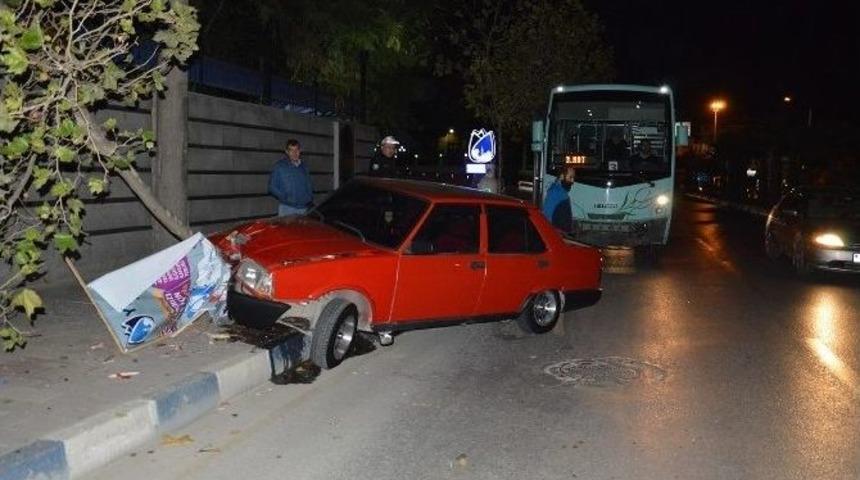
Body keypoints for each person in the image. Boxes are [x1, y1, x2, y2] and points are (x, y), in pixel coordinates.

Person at [268, 139, 314, 216]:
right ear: (287, 152)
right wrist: (285, 198)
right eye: (291, 150)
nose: (294, 153)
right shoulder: (279, 166)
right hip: (287, 208)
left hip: (303, 208)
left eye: (296, 150)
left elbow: (309, 185)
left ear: (300, 151)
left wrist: (309, 197)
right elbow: (272, 187)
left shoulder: (304, 167)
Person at [541, 164, 576, 232]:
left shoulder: (561, 192)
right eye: (570, 177)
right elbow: (547, 215)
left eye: (573, 178)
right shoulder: (556, 192)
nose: (572, 181)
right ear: (562, 176)